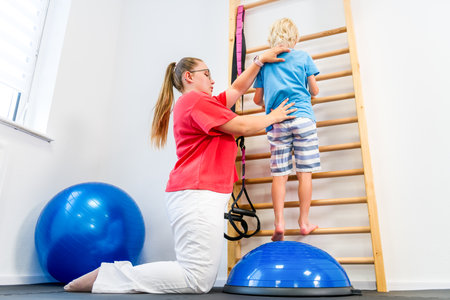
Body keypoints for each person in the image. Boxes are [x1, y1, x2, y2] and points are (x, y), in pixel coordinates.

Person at [63, 46, 296, 294]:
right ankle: (110, 276)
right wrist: (274, 116)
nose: (212, 79)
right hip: (196, 192)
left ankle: (111, 276)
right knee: (196, 279)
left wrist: (259, 62)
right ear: (189, 77)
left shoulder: (202, 102)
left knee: (199, 277)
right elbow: (241, 125)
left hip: (198, 192)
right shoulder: (195, 101)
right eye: (207, 73)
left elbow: (237, 89)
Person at [252, 18, 321, 241]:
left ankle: (279, 223)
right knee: (305, 174)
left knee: (279, 176)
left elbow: (257, 99)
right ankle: (304, 222)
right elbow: (315, 90)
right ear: (296, 37)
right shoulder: (303, 57)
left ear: (271, 38)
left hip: (277, 121)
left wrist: (269, 101)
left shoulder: (266, 63)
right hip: (303, 118)